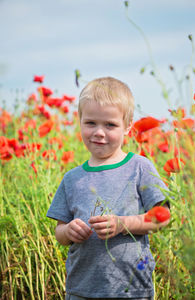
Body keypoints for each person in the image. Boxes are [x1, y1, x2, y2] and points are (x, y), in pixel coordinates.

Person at [47, 77, 170, 300]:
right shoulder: (72, 178)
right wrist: (69, 232)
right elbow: (60, 232)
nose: (99, 132)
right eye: (91, 123)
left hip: (132, 289)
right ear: (80, 121)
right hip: (82, 289)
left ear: (128, 126)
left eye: (110, 125)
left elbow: (162, 218)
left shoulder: (139, 167)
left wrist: (123, 224)